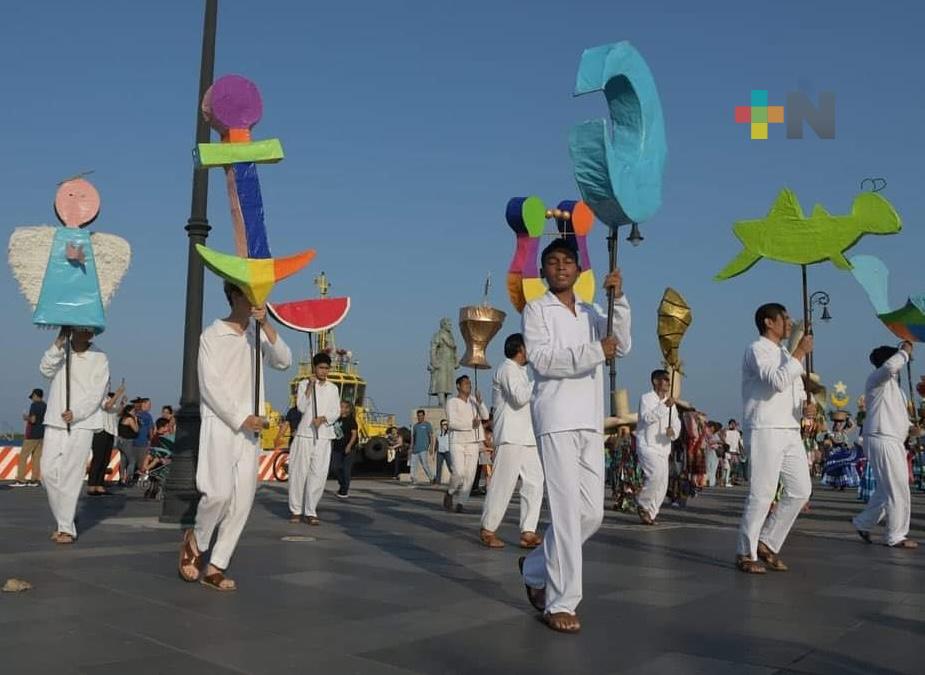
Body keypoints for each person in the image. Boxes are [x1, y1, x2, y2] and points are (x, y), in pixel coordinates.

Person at [519, 238, 631, 634]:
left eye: (568, 261)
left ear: (580, 270)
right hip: (555, 416)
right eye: (553, 262)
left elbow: (622, 343)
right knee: (566, 514)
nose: (561, 267)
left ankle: (534, 567)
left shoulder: (592, 311)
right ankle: (561, 601)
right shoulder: (536, 311)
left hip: (589, 418)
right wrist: (595, 352)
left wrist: (620, 298)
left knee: (591, 514)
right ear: (544, 271)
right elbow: (544, 361)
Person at [178, 281, 291, 591]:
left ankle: (217, 564)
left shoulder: (256, 335)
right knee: (218, 493)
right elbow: (210, 385)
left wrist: (266, 323)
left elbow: (284, 360)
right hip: (222, 424)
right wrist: (242, 417)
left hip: (251, 432)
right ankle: (195, 542)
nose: (257, 299)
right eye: (249, 293)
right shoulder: (212, 335)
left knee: (242, 501)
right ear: (234, 295)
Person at [735, 303, 814, 574]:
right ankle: (746, 552)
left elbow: (795, 389)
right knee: (762, 493)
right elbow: (777, 381)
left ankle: (767, 542)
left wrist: (806, 405)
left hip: (790, 429)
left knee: (801, 489)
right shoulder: (757, 349)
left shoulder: (784, 353)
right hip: (765, 427)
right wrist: (800, 353)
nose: (789, 323)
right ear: (769, 322)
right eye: (785, 318)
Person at [39, 327, 109, 544]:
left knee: (71, 475)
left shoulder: (100, 358)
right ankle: (64, 518)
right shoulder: (61, 352)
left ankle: (66, 528)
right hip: (55, 420)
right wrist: (59, 342)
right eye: (81, 328)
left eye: (90, 329)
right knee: (47, 472)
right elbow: (45, 370)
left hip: (82, 424)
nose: (87, 332)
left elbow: (97, 393)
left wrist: (76, 413)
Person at [479, 333, 544, 550]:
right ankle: (488, 529)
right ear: (520, 349)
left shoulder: (523, 372)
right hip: (510, 434)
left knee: (535, 482)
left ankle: (528, 531)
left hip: (527, 436)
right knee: (503, 483)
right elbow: (518, 397)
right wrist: (539, 381)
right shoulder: (506, 368)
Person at [853, 342, 918, 548]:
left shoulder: (897, 391)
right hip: (882, 437)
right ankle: (896, 535)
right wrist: (904, 353)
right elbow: (891, 367)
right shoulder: (877, 380)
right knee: (898, 487)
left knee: (885, 489)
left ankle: (863, 523)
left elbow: (899, 418)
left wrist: (914, 429)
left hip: (893, 439)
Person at [288, 352, 341, 525]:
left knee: (318, 474)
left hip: (324, 436)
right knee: (298, 472)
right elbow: (301, 407)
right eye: (321, 368)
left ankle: (311, 511)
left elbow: (336, 411)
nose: (324, 371)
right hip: (305, 434)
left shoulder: (333, 388)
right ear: (314, 368)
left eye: (326, 368)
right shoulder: (304, 384)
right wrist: (310, 386)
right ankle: (296, 510)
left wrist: (323, 418)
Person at [635, 370, 681, 525]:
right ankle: (643, 503)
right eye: (665, 380)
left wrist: (673, 432)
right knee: (655, 474)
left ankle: (651, 513)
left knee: (663, 484)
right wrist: (664, 407)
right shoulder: (646, 398)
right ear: (655, 381)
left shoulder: (671, 404)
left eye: (669, 380)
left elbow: (676, 423)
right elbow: (647, 418)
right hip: (647, 445)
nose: (668, 383)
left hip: (663, 447)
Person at [444, 375, 489, 513]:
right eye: (465, 384)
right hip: (457, 441)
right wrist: (471, 424)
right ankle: (450, 492)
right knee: (458, 472)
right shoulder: (452, 402)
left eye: (469, 384)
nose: (468, 386)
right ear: (458, 386)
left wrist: (480, 402)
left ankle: (461, 503)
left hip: (473, 442)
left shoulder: (474, 401)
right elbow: (452, 423)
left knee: (470, 475)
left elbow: (486, 416)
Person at [87, 386, 124, 495]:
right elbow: (107, 407)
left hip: (110, 431)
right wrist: (117, 394)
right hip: (101, 430)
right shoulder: (99, 398)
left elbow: (118, 412)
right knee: (98, 459)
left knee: (105, 459)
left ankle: (100, 484)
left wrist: (121, 401)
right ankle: (92, 485)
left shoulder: (109, 398)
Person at [13, 388, 47, 487]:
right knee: (37, 458)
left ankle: (20, 479)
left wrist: (26, 417)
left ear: (36, 395)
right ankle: (35, 480)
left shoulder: (34, 405)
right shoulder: (45, 405)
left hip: (32, 435)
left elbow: (33, 420)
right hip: (42, 435)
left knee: (23, 456)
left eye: (32, 397)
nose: (32, 399)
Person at [331, 400, 359, 498]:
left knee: (346, 469)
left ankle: (344, 491)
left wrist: (349, 445)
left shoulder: (351, 420)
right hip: (337, 447)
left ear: (347, 409)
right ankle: (342, 483)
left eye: (343, 407)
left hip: (349, 448)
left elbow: (354, 434)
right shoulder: (336, 419)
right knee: (334, 468)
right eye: (340, 406)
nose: (341, 408)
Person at [130, 397, 153, 484]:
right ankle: (131, 479)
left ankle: (137, 480)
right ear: (143, 404)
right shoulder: (134, 414)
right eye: (149, 404)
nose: (150, 407)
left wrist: (150, 440)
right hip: (132, 442)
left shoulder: (148, 415)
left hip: (143, 443)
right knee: (132, 463)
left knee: (140, 464)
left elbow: (150, 429)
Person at [409, 410, 435, 485]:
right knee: (413, 465)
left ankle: (431, 478)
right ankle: (413, 479)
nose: (420, 417)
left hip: (423, 448)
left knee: (424, 464)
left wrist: (431, 447)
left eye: (421, 415)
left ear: (424, 416)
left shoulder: (427, 425)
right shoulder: (415, 426)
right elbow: (413, 437)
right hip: (415, 449)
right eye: (418, 416)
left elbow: (431, 436)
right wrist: (411, 447)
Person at [116, 403, 139, 484]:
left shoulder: (122, 418)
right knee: (132, 460)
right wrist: (136, 420)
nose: (134, 412)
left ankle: (121, 478)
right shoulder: (130, 419)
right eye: (133, 411)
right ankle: (128, 478)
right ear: (129, 411)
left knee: (123, 460)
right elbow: (136, 430)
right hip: (127, 441)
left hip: (120, 441)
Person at [434, 419, 452, 484]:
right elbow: (436, 442)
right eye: (444, 424)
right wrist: (434, 451)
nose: (445, 425)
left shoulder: (450, 432)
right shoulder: (438, 432)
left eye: (446, 424)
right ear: (441, 425)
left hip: (447, 451)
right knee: (438, 467)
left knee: (450, 466)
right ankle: (437, 481)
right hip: (440, 452)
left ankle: (456, 480)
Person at [726, 419, 743, 485]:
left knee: (736, 466)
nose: (733, 425)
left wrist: (740, 451)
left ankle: (733, 479)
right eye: (731, 424)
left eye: (734, 424)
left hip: (736, 452)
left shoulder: (737, 433)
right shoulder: (727, 432)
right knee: (729, 466)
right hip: (729, 451)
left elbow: (739, 442)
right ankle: (729, 479)